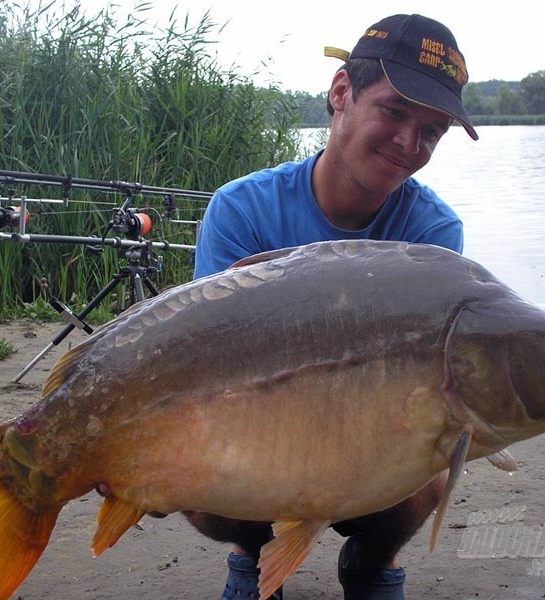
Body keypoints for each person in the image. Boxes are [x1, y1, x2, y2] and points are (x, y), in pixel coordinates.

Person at [187, 13, 478, 600]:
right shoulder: (241, 209)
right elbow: (209, 369)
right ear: (341, 92)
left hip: (369, 435)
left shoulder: (432, 230)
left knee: (431, 460)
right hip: (256, 423)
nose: (408, 143)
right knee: (195, 464)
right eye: (394, 112)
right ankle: (253, 554)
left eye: (431, 131)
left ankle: (371, 563)